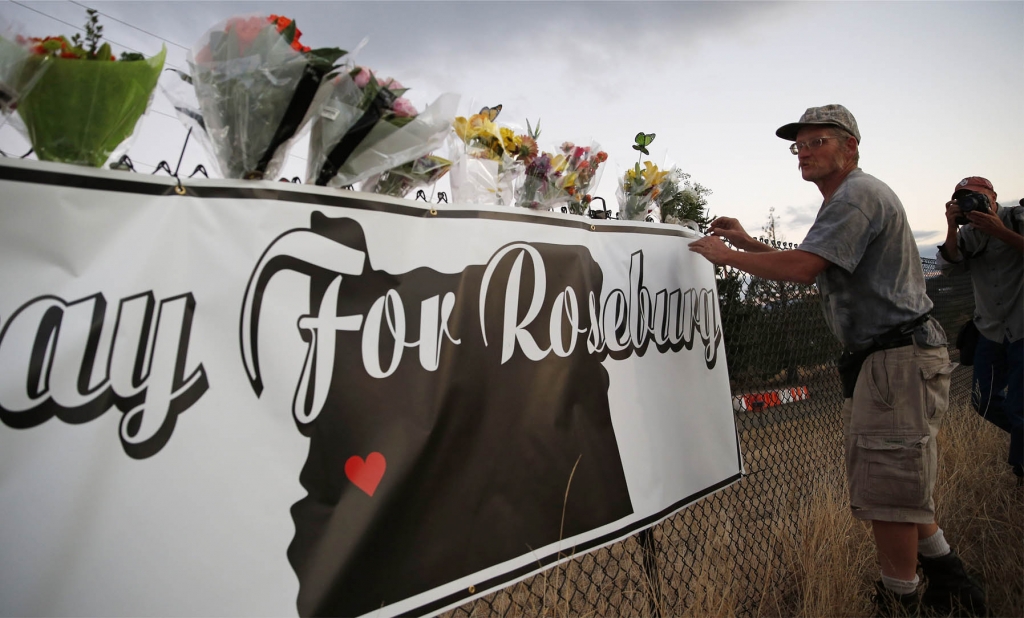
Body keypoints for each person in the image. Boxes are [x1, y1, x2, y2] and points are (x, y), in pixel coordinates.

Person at [689, 104, 986, 616]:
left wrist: (728, 257)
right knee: (899, 481)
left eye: (818, 141)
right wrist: (748, 241)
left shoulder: (855, 196)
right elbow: (825, 266)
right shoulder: (847, 199)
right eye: (798, 145)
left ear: (851, 146)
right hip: (893, 359)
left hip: (895, 360)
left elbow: (805, 268)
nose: (805, 152)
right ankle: (952, 582)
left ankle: (900, 601)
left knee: (889, 492)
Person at [936, 177, 1024, 483]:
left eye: (976, 196)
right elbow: (948, 268)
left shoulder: (1017, 217)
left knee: (1018, 406)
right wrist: (951, 226)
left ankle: (1021, 469)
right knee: (982, 400)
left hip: (1023, 326)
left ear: (993, 196)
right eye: (963, 199)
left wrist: (999, 231)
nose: (970, 203)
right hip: (991, 330)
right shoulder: (968, 236)